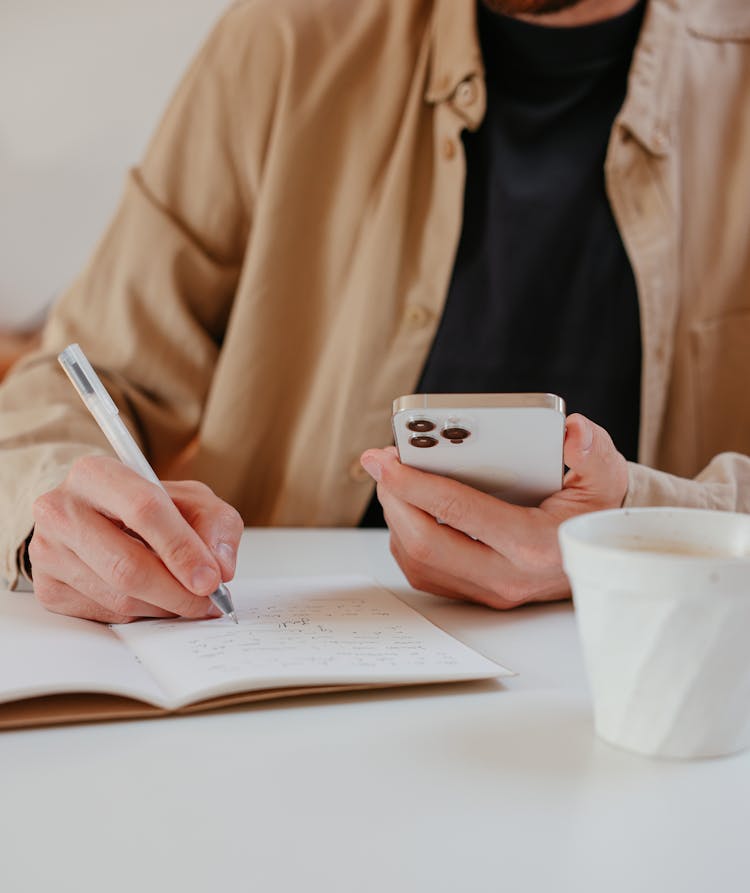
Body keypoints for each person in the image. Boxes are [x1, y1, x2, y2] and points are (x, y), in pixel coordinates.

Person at [1, 0, 748, 622]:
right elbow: (69, 384)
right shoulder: (288, 38)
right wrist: (58, 519)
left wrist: (636, 527)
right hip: (280, 676)